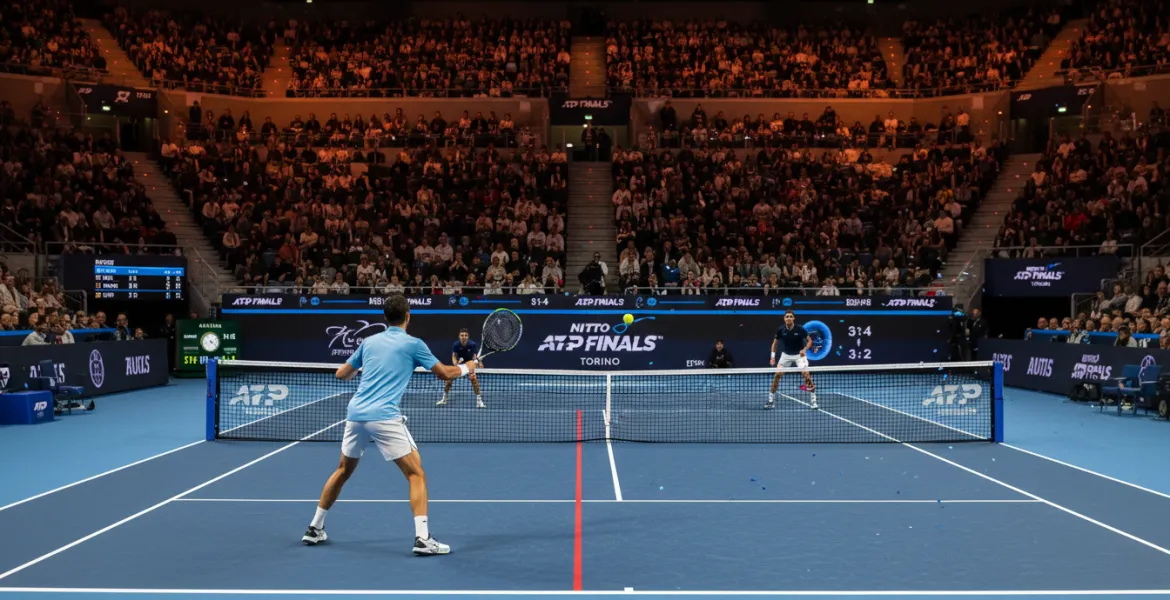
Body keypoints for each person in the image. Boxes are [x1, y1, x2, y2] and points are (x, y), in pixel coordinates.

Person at [302, 294, 475, 554]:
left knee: (342, 470)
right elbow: (444, 374)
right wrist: (468, 367)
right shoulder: (414, 344)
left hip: (356, 414)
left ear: (385, 318)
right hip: (384, 416)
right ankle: (423, 539)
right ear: (408, 316)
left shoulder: (369, 342)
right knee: (416, 473)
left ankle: (314, 529)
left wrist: (363, 373)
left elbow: (341, 374)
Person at [768, 310, 817, 410]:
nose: (789, 318)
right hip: (785, 356)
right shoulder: (781, 330)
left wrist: (804, 349)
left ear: (793, 318)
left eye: (791, 316)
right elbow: (774, 344)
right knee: (777, 375)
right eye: (787, 316)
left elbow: (809, 341)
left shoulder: (800, 329)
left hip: (799, 355)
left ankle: (813, 400)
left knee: (806, 374)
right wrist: (772, 357)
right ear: (784, 318)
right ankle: (771, 399)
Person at [436, 328, 485, 408]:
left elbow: (475, 356)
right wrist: (455, 363)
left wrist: (479, 362)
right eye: (462, 335)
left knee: (474, 379)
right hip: (460, 365)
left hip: (469, 364)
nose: (464, 337)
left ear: (468, 337)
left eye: (465, 335)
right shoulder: (456, 345)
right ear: (459, 336)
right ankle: (444, 398)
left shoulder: (472, 344)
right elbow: (454, 356)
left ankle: (479, 400)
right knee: (448, 380)